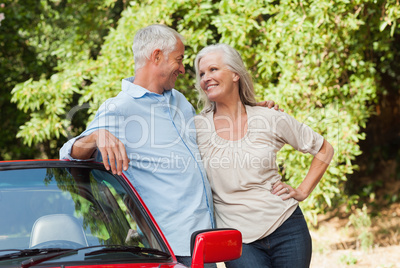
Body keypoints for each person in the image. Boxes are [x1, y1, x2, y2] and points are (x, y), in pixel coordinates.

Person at [60, 24, 279, 267]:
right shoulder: (120, 108)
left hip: (205, 241)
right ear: (156, 56)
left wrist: (249, 110)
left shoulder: (180, 102)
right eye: (179, 59)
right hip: (170, 246)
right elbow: (69, 155)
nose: (184, 69)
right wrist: (95, 136)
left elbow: (213, 130)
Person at [193, 43, 334, 268]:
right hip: (238, 241)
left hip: (287, 228)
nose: (206, 78)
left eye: (213, 70)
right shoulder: (197, 127)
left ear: (235, 74)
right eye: (201, 73)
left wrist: (303, 190)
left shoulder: (269, 117)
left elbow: (324, 149)